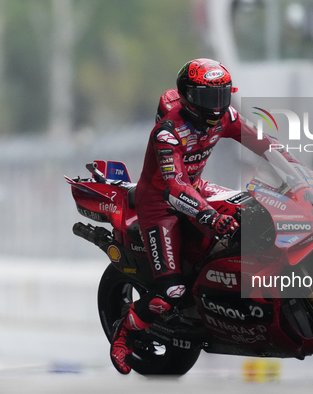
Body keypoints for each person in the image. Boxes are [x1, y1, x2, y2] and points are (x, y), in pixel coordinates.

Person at [109, 58, 300, 374]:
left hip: (199, 189)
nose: (217, 106)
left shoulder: (227, 116)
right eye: (208, 98)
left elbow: (263, 144)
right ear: (187, 97)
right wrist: (210, 217)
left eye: (222, 96)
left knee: (253, 215)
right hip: (160, 206)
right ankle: (124, 334)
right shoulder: (167, 134)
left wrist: (298, 173)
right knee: (171, 293)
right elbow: (175, 186)